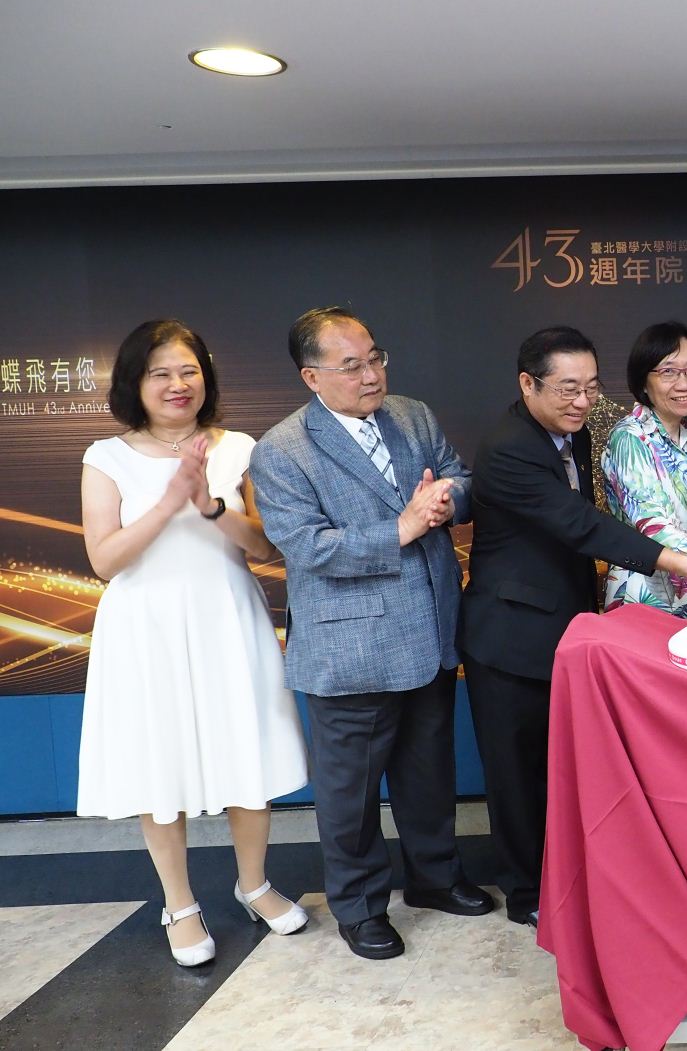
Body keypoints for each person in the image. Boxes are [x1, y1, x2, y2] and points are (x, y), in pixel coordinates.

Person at [458, 327, 687, 927]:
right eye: (568, 389)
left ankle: (566, 878)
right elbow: (582, 525)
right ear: (527, 384)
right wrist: (684, 563)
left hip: (564, 625)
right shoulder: (510, 448)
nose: (583, 401)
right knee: (517, 775)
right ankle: (528, 895)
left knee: (561, 768)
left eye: (590, 387)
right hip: (510, 636)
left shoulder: (571, 433)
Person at [250, 306, 492, 961]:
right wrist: (403, 527)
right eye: (351, 365)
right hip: (351, 648)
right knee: (350, 792)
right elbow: (310, 548)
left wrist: (447, 498)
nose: (371, 375)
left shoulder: (413, 415)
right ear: (312, 376)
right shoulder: (282, 450)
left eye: (376, 358)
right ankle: (359, 907)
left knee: (428, 771)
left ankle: (435, 879)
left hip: (430, 631)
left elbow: (463, 478)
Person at [78, 319, 309, 967]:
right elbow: (105, 559)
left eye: (189, 370)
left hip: (227, 617)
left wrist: (209, 504)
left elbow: (264, 547)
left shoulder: (239, 447)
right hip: (144, 626)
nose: (178, 384)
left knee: (247, 753)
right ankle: (179, 904)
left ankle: (254, 883)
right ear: (135, 383)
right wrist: (169, 500)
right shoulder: (107, 457)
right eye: (161, 373)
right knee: (162, 763)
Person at [600, 322, 687, 614]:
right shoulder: (629, 437)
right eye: (668, 372)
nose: (684, 384)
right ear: (643, 381)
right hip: (643, 592)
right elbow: (652, 522)